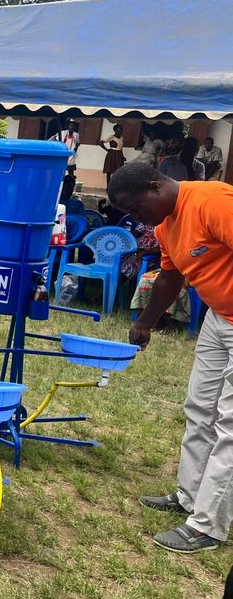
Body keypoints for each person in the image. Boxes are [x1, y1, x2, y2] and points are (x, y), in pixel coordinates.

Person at [107, 163, 233, 554]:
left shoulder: (213, 201)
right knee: (200, 408)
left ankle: (207, 526)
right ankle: (190, 496)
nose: (136, 218)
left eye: (136, 207)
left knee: (230, 424)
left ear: (154, 186)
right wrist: (145, 323)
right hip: (218, 317)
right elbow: (171, 278)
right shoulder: (164, 226)